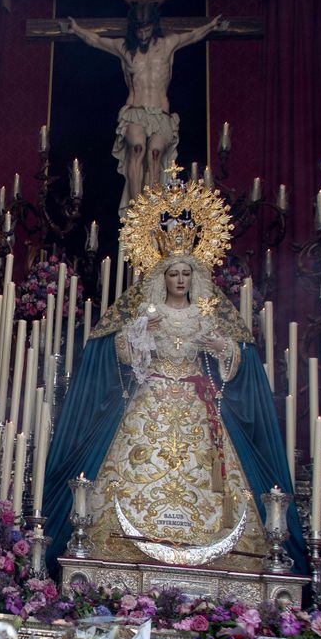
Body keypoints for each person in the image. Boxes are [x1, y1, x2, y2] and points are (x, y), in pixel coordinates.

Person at [43, 171, 304, 574]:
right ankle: (117, 550)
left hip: (199, 406)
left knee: (210, 479)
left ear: (194, 276)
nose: (180, 280)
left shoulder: (209, 314)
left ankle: (222, 552)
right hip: (151, 401)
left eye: (185, 273)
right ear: (161, 277)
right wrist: (137, 337)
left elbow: (236, 360)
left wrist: (223, 350)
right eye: (173, 273)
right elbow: (118, 354)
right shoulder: (147, 313)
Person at [63, 0, 225, 214]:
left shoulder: (168, 44)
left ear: (153, 26)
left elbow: (193, 36)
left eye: (147, 29)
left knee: (155, 154)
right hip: (135, 111)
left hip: (161, 113)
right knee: (138, 148)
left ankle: (151, 209)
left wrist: (211, 25)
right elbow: (97, 41)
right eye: (139, 30)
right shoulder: (124, 48)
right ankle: (136, 207)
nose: (143, 34)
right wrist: (77, 29)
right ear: (134, 29)